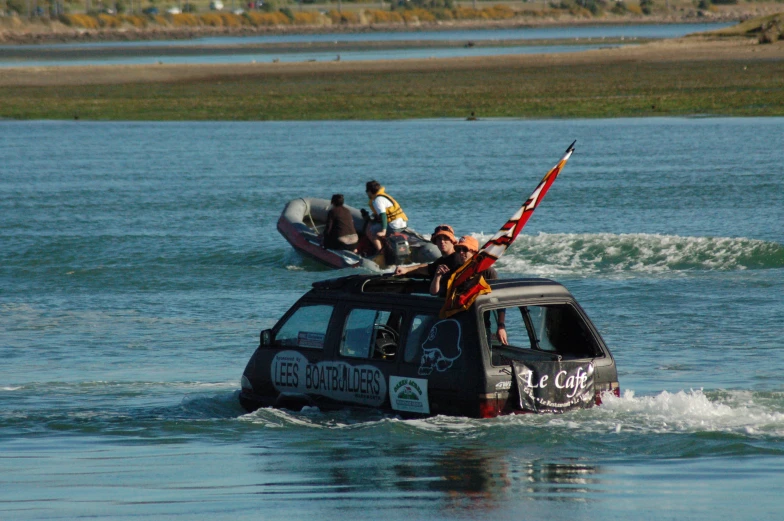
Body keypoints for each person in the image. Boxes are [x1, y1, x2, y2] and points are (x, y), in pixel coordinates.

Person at [430, 235, 507, 345]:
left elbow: (500, 300)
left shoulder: (488, 272)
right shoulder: (454, 273)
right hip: (457, 325)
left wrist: (501, 326)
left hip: (481, 327)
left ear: (475, 252)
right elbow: (435, 293)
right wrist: (437, 276)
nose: (461, 253)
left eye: (465, 249)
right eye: (458, 250)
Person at [394, 224, 459, 277]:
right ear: (435, 242)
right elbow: (428, 268)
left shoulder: (458, 258)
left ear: (452, 241)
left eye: (446, 238)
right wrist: (406, 269)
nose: (442, 241)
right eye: (439, 239)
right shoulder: (443, 260)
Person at [364, 180, 407, 254]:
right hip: (402, 223)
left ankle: (381, 253)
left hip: (394, 226)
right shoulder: (384, 196)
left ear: (370, 191)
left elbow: (383, 215)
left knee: (372, 231)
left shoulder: (377, 200)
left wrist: (383, 231)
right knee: (377, 227)